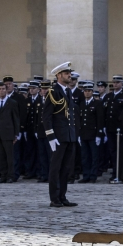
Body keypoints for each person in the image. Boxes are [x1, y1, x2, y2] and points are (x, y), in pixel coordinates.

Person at [43, 62, 78, 207]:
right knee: (55, 168)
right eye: (66, 73)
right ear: (58, 75)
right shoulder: (53, 92)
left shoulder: (68, 91)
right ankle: (54, 198)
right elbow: (47, 117)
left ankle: (62, 196)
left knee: (66, 169)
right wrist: (51, 137)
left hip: (68, 136)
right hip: (58, 137)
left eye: (69, 73)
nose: (69, 75)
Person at [103, 75, 123, 181]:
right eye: (114, 82)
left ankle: (121, 173)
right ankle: (115, 172)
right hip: (110, 128)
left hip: (120, 128)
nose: (115, 84)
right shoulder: (108, 96)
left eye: (117, 82)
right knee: (112, 151)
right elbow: (105, 113)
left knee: (121, 152)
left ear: (121, 84)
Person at [0, 83, 20, 184]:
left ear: (6, 90)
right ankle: (3, 175)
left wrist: (16, 134)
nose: (1, 91)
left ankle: (11, 176)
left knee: (10, 157)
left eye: (3, 89)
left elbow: (15, 119)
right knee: (0, 156)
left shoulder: (12, 102)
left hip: (8, 133)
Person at [78, 83, 104, 183]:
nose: (87, 93)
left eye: (89, 91)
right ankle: (86, 175)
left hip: (93, 134)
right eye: (85, 91)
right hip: (84, 134)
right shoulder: (81, 104)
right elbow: (79, 120)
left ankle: (93, 176)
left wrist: (99, 134)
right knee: (85, 157)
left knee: (94, 156)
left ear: (92, 92)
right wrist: (79, 134)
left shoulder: (97, 103)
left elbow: (100, 120)